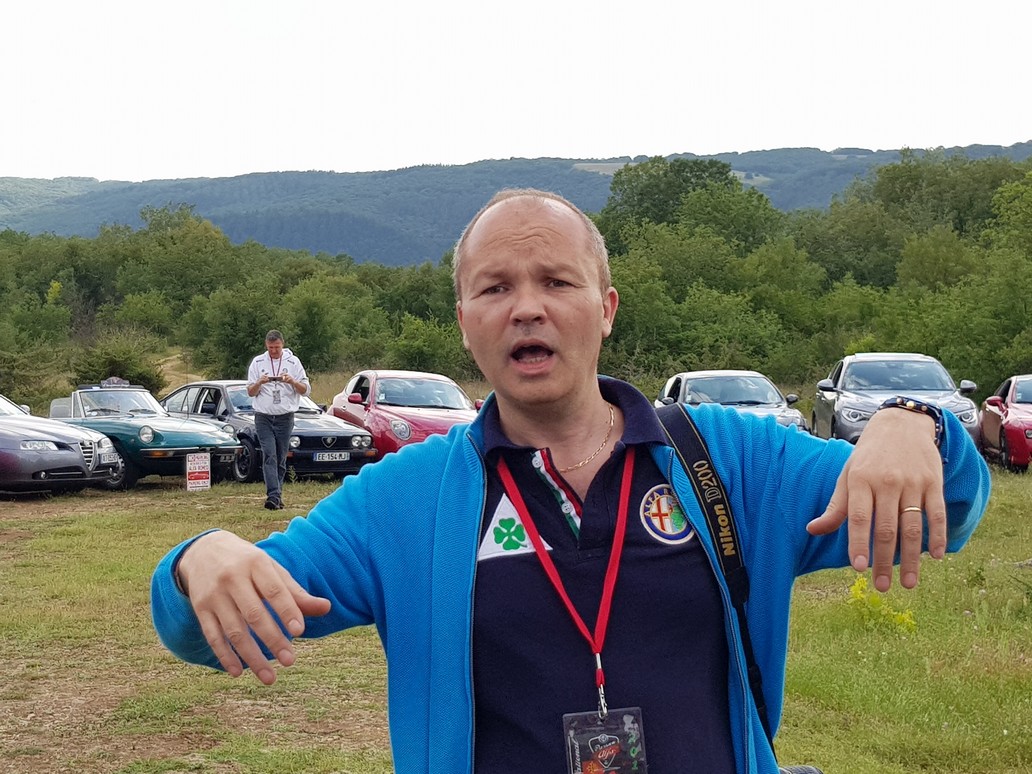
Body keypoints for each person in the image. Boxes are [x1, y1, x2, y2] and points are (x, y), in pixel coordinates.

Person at [152, 190, 990, 774]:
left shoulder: (733, 460)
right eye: (495, 288)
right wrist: (197, 560)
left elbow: (944, 510)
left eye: (556, 281)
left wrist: (916, 421)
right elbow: (207, 629)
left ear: (607, 307)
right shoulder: (402, 500)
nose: (528, 307)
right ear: (466, 324)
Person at [245, 330, 311, 510]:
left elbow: (306, 390)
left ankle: (277, 495)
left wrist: (292, 382)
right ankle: (273, 495)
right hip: (263, 417)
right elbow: (250, 392)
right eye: (270, 348)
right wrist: (259, 382)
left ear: (283, 344)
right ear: (266, 345)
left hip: (285, 417)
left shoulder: (293, 362)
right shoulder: (258, 362)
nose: (273, 351)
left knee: (281, 457)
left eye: (277, 347)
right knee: (269, 454)